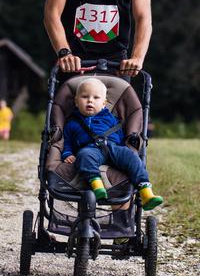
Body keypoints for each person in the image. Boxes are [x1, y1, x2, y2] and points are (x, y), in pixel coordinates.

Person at [62, 78, 162, 211]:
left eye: (96, 98)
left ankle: (146, 192)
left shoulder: (110, 118)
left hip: (113, 147)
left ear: (104, 104)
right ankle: (97, 186)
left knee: (132, 157)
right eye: (85, 97)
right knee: (84, 156)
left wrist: (124, 147)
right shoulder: (72, 123)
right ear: (76, 101)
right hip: (90, 150)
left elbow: (120, 134)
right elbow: (67, 142)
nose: (90, 100)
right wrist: (67, 153)